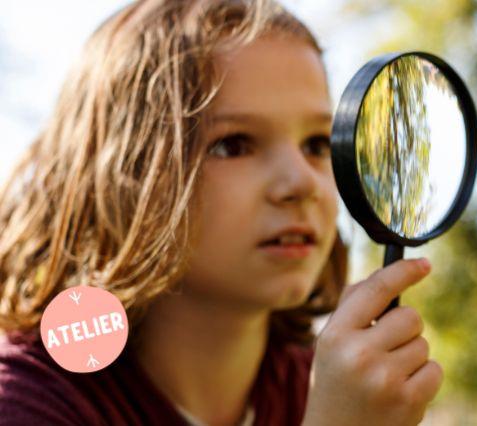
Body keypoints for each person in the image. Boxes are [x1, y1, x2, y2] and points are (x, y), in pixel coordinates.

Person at [0, 1, 442, 425]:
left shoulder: (327, 386)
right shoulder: (30, 399)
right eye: (234, 144)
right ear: (123, 176)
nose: (302, 182)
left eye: (317, 144)